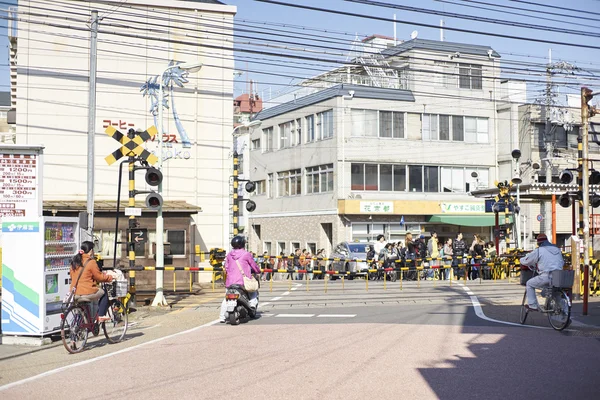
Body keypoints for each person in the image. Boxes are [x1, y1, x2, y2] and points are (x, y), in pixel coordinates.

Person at [219, 236, 261, 323]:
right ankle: (252, 305)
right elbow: (254, 266)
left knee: (226, 298)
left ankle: (222, 316)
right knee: (253, 291)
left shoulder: (229, 255)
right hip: (243, 282)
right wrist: (257, 271)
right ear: (243, 244)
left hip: (230, 282)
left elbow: (226, 267)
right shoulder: (246, 254)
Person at [69, 241, 114, 323]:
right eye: (93, 250)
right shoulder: (91, 262)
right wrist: (109, 278)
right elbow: (99, 277)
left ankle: (85, 324)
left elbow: (72, 276)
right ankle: (101, 315)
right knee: (103, 293)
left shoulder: (74, 261)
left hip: (74, 293)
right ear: (90, 251)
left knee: (85, 308)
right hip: (86, 292)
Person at [519, 233, 564, 311]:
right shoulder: (557, 249)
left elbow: (527, 261)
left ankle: (533, 305)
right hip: (559, 276)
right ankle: (565, 313)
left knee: (529, 284)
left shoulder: (539, 250)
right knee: (555, 291)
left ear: (539, 243)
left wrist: (521, 260)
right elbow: (562, 262)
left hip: (546, 276)